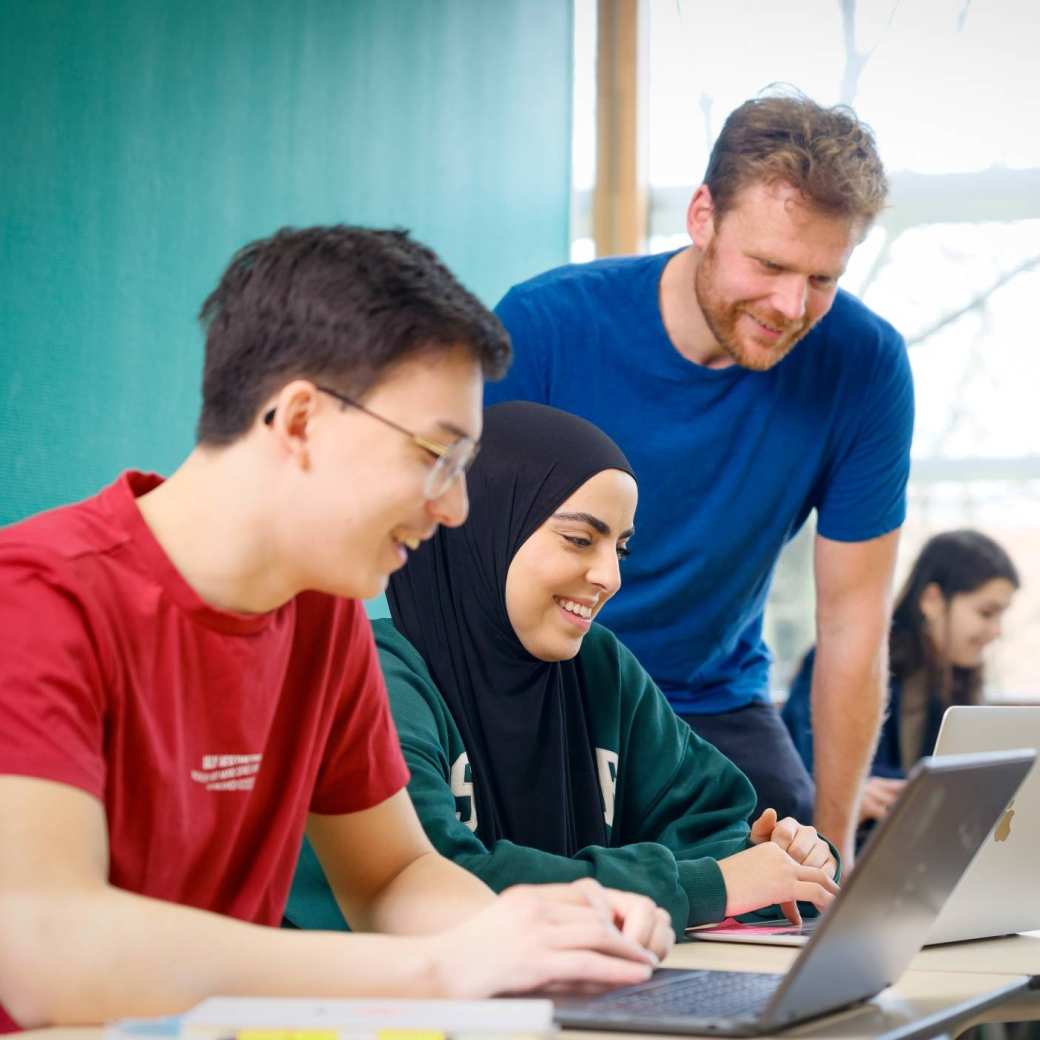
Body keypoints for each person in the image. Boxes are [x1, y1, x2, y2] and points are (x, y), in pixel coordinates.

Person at [0, 227, 672, 1030]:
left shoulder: (321, 615)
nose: (455, 509)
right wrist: (443, 967)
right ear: (300, 421)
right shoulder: (35, 598)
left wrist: (543, 938)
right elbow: (48, 955)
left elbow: (391, 876)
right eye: (437, 456)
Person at [486, 89, 915, 863]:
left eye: (823, 278)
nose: (791, 305)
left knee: (799, 900)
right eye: (770, 264)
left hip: (712, 705)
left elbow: (853, 623)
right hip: (539, 687)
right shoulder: (544, 326)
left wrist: (840, 847)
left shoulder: (864, 365)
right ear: (702, 218)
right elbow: (458, 562)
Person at [288, 401, 839, 940]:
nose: (610, 576)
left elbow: (713, 826)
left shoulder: (598, 667)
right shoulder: (373, 677)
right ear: (482, 531)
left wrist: (771, 860)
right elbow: (439, 884)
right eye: (579, 539)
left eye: (621, 548)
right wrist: (709, 882)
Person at [783, 530, 1020, 824]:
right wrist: (853, 793)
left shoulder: (956, 681)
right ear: (932, 600)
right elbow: (797, 774)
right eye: (986, 613)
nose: (996, 631)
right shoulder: (849, 664)